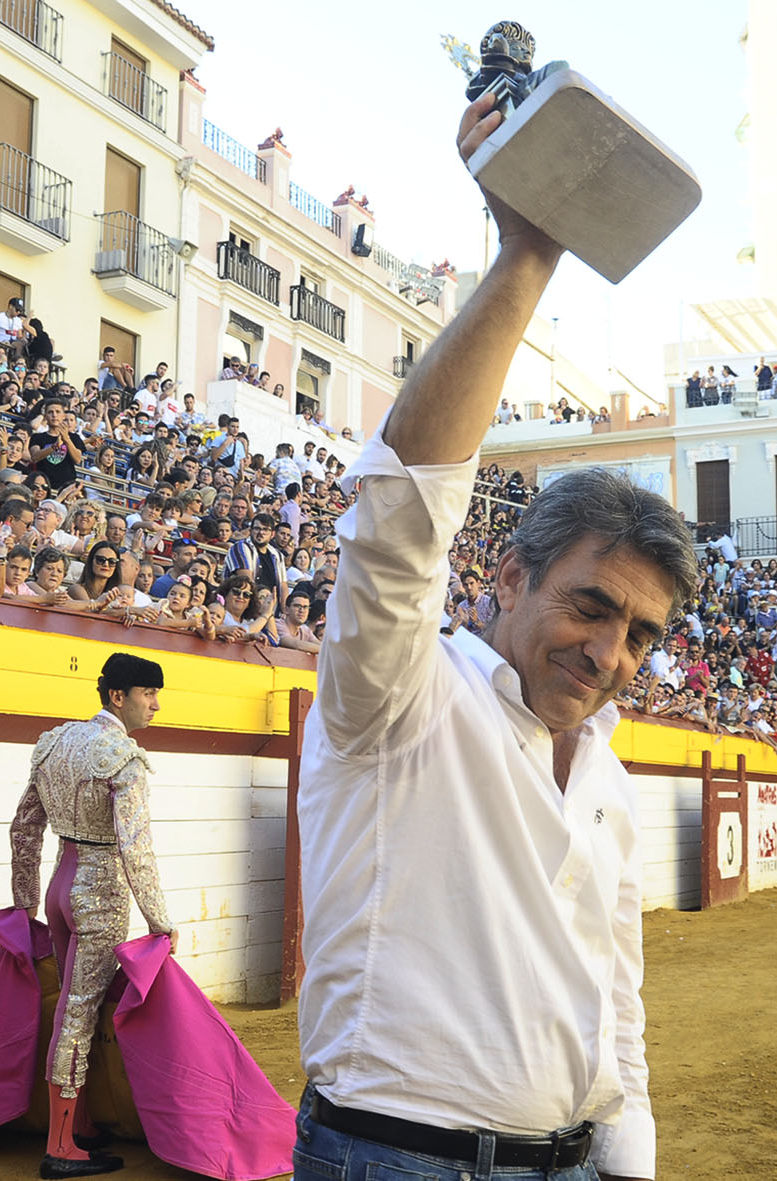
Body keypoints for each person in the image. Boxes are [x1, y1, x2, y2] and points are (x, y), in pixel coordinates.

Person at [292, 92, 683, 1181]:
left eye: (639, 634)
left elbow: (612, 988)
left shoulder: (605, 771)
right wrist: (526, 257)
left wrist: (628, 1156)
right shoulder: (399, 696)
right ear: (506, 576)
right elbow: (399, 517)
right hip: (397, 1161)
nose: (609, 654)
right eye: (590, 606)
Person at [8, 653, 175, 1177]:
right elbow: (136, 848)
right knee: (78, 1013)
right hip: (99, 892)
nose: (156, 705)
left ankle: (76, 1123)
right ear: (118, 696)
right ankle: (61, 1147)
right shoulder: (124, 758)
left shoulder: (54, 744)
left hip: (60, 884)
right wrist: (160, 921)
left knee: (71, 1006)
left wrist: (25, 902)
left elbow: (24, 829)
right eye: (148, 693)